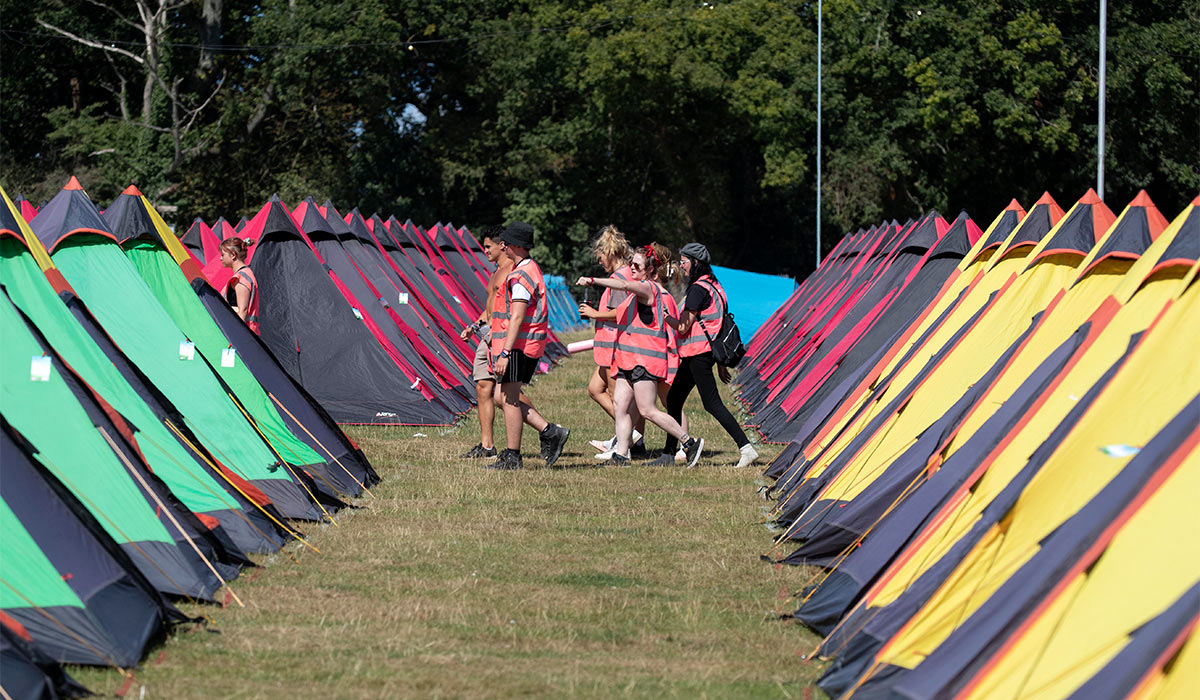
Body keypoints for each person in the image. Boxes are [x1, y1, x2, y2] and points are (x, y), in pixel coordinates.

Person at [578, 245, 703, 467]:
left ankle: (689, 443)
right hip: (628, 360)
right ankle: (621, 454)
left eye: (636, 266)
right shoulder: (638, 293)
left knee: (647, 410)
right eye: (630, 264)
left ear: (651, 272)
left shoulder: (649, 289)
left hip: (644, 361)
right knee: (621, 405)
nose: (631, 268)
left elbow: (625, 284)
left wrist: (593, 280)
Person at [657, 242, 758, 469]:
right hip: (702, 353)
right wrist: (720, 362)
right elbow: (718, 324)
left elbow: (683, 327)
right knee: (673, 399)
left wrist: (664, 317)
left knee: (712, 403)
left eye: (683, 261)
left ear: (695, 263)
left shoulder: (697, 290)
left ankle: (746, 447)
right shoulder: (714, 285)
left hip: (698, 354)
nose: (681, 266)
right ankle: (668, 452)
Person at [487, 221, 571, 470]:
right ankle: (550, 431)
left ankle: (514, 455)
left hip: (518, 346)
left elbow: (518, 316)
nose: (502, 247)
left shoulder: (521, 276)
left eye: (505, 243)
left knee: (509, 399)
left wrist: (505, 352)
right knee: (500, 397)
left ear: (514, 246)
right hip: (522, 345)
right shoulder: (528, 268)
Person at [578, 226, 647, 456]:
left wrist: (594, 314)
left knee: (619, 401)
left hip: (616, 346)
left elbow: (621, 313)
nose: (599, 260)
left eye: (600, 254)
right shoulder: (625, 275)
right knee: (595, 389)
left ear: (610, 252)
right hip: (611, 346)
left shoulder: (620, 278)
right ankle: (632, 436)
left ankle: (625, 442)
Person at [458, 226, 506, 459]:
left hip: (500, 336)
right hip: (486, 334)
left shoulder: (511, 272)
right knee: (483, 387)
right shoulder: (495, 272)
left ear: (502, 245)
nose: (485, 251)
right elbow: (489, 309)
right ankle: (487, 446)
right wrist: (474, 327)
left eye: (488, 246)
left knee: (505, 395)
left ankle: (547, 429)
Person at [219, 238, 259, 334]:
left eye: (222, 255)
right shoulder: (243, 275)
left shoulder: (242, 278)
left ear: (233, 255)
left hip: (245, 334)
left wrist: (235, 336)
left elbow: (243, 311)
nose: (221, 258)